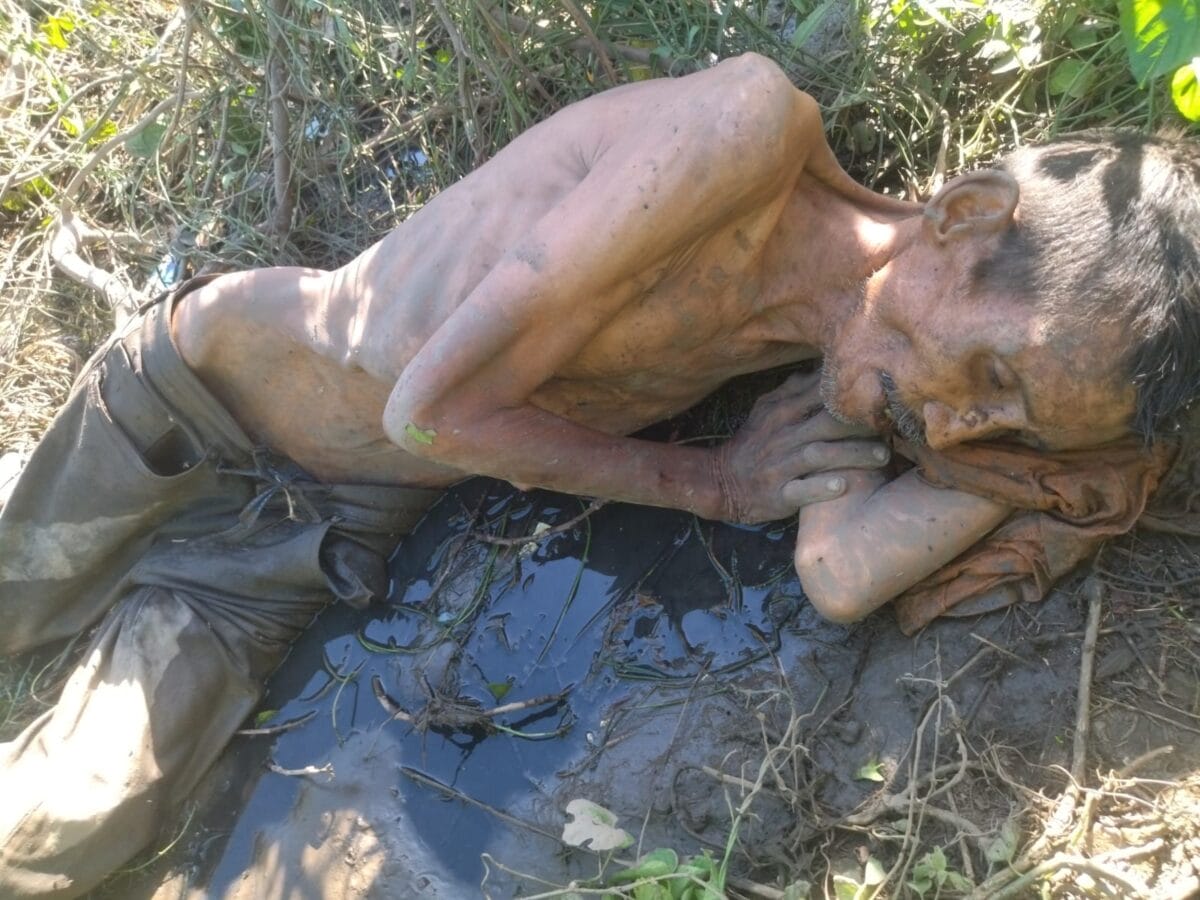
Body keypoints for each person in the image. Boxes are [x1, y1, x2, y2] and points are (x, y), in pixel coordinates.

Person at [1, 52, 1197, 897]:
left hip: (311, 530)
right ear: (967, 215)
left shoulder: (883, 369)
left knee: (46, 843)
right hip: (197, 404)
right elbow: (433, 409)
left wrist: (1050, 473)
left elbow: (839, 573)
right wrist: (713, 484)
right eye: (987, 365)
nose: (960, 414)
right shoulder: (744, 132)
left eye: (1008, 417)